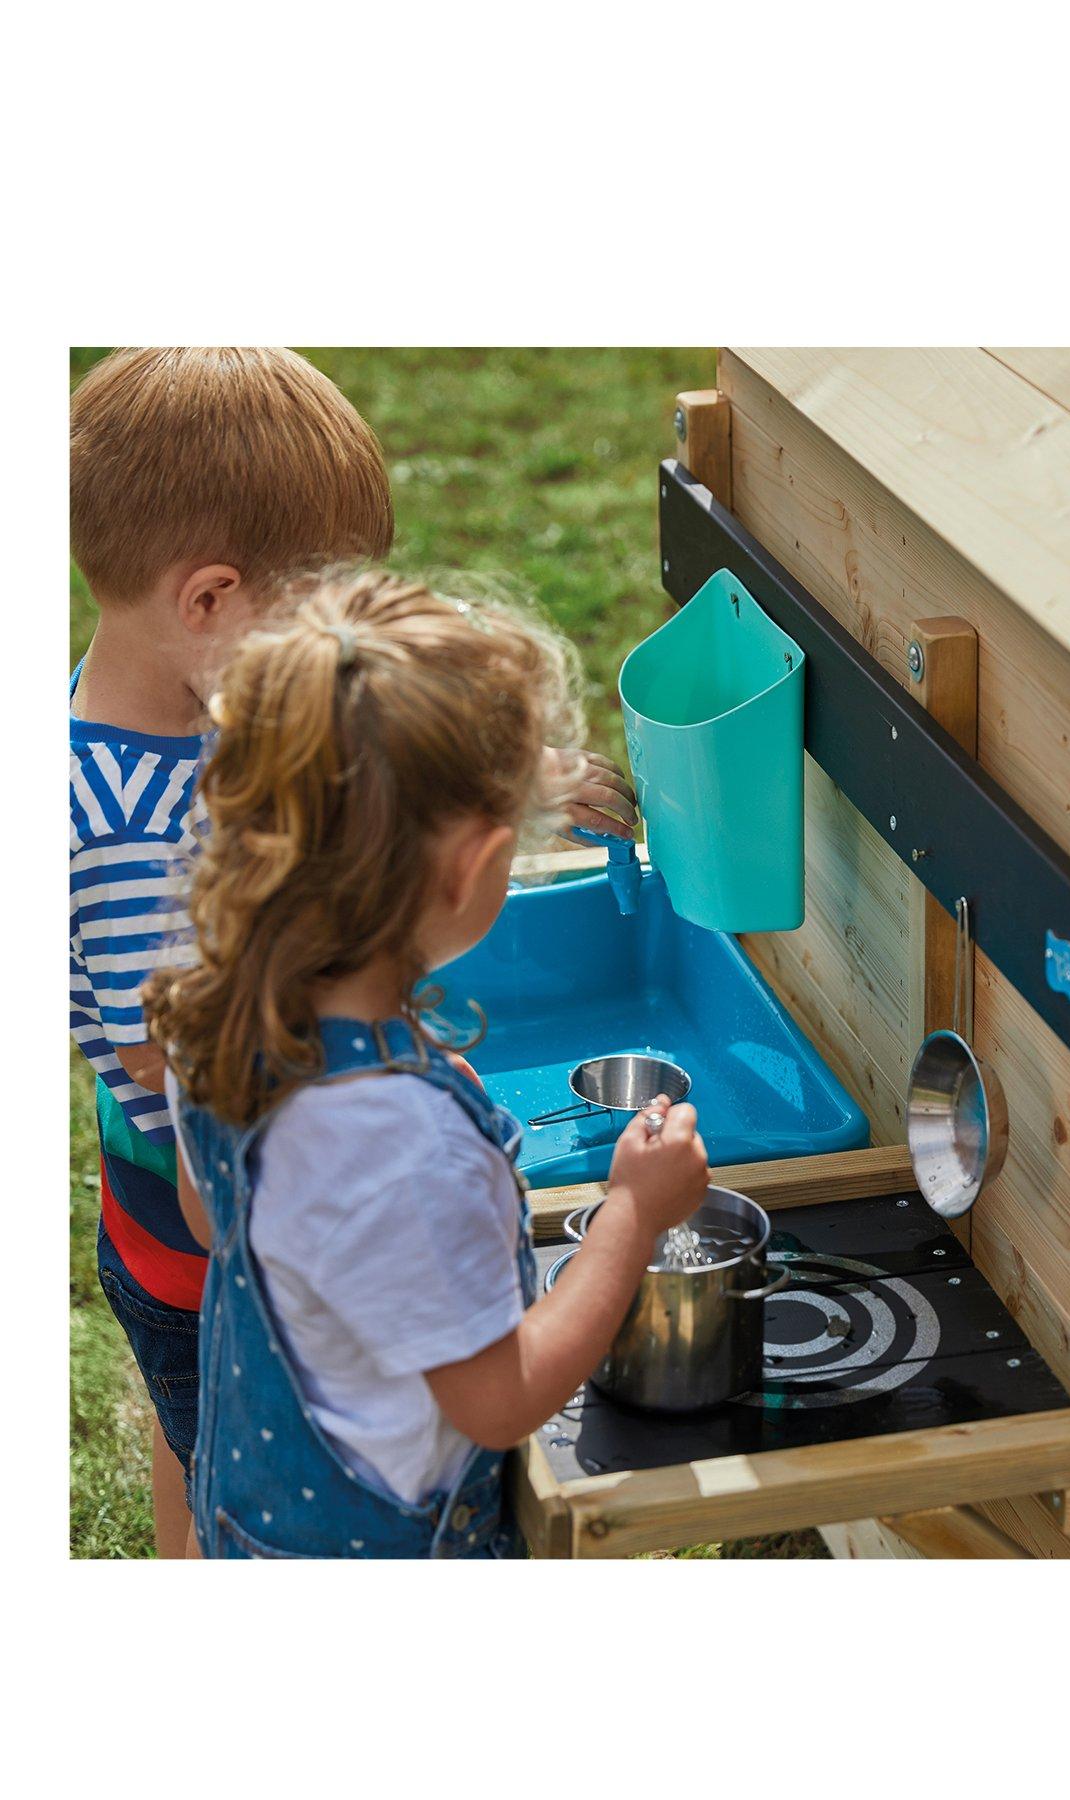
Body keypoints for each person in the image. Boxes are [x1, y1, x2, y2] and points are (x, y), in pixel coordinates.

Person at [70, 347, 636, 1556]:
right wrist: (634, 1216)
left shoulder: (214, 747)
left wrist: (514, 785)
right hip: (228, 1302)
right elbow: (490, 1394)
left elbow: (333, 771)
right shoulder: (129, 835)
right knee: (200, 1411)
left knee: (217, 1436)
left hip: (225, 1265)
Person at [145, 567, 706, 1558]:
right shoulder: (400, 1145)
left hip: (255, 1517)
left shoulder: (219, 1002)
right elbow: (501, 1400)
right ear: (469, 867)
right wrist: (631, 1212)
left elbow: (210, 1214)